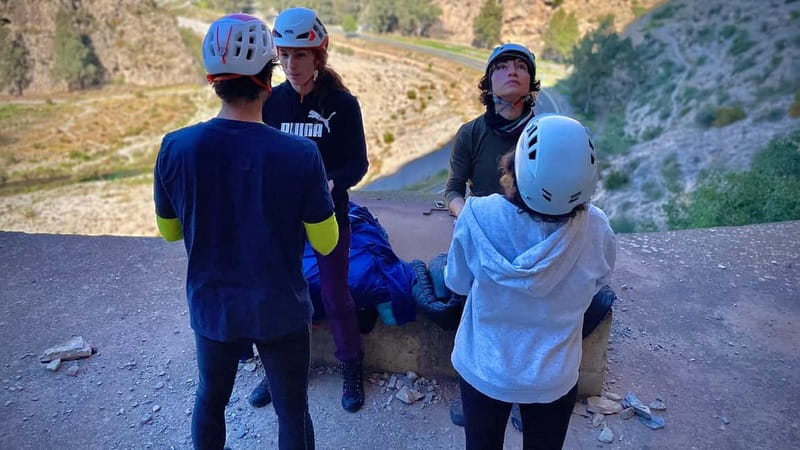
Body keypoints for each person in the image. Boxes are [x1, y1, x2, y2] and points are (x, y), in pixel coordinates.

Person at [154, 13, 337, 449]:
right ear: (268, 80)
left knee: (210, 400)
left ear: (212, 80)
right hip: (280, 308)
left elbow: (170, 232)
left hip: (213, 305)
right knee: (292, 410)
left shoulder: (175, 147)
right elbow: (325, 240)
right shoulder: (300, 154)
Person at [445, 114, 617, 449]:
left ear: (516, 167)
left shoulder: (477, 216)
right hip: (553, 377)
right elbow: (598, 283)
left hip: (484, 369)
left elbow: (458, 283)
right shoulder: (597, 230)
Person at [248, 7, 370, 413]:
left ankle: (351, 365)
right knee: (278, 292)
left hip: (329, 214)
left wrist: (330, 183)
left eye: (300, 55)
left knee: (336, 294)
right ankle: (277, 369)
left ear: (319, 54)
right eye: (283, 55)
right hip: (281, 219)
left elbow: (358, 164)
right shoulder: (271, 102)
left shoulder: (342, 104)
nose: (290, 65)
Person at [444, 43, 540, 218]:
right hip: (484, 222)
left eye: (521, 67)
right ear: (489, 82)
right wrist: (466, 217)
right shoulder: (470, 133)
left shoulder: (545, 134)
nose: (512, 72)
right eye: (502, 67)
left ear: (530, 83)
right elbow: (454, 189)